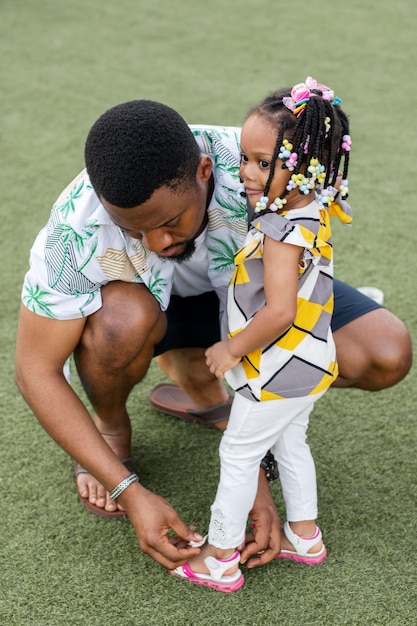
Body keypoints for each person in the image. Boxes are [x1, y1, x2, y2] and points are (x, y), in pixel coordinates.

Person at [15, 98, 412, 572]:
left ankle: (200, 386)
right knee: (122, 322)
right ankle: (113, 425)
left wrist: (257, 482)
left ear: (205, 170)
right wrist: (130, 491)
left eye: (168, 222)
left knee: (385, 352)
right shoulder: (72, 229)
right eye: (133, 229)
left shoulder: (259, 168)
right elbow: (34, 370)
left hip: (249, 309)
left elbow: (283, 302)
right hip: (143, 313)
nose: (157, 243)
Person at [170, 78, 352, 592]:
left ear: (305, 164)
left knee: (238, 455)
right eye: (246, 159)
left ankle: (220, 557)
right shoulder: (311, 213)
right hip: (312, 365)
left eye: (263, 162)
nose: (246, 172)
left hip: (275, 370)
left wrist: (230, 348)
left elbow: (278, 312)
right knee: (292, 444)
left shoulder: (278, 232)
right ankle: (305, 535)